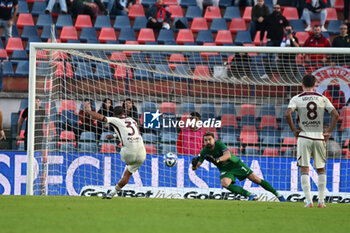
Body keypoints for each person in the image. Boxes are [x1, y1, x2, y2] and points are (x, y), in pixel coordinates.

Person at [285, 74, 339, 208]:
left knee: (304, 168)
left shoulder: (297, 98)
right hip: (319, 137)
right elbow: (336, 114)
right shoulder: (322, 98)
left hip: (304, 137)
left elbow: (287, 114)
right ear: (315, 85)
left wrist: (293, 130)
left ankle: (309, 201)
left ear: (302, 84)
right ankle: (321, 201)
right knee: (321, 169)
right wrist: (329, 132)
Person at [192, 132, 286, 202]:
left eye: (209, 139)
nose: (208, 142)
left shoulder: (219, 144)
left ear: (214, 139)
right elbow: (196, 166)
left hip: (236, 164)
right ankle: (250, 195)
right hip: (225, 169)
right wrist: (194, 165)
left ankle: (278, 194)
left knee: (256, 179)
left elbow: (228, 155)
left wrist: (217, 160)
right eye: (206, 140)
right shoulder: (204, 151)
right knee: (225, 183)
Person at [83, 104, 146, 199]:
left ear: (114, 114)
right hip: (142, 153)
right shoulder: (132, 120)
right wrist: (114, 136)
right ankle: (112, 193)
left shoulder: (115, 120)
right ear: (124, 113)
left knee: (122, 149)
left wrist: (88, 111)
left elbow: (101, 117)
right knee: (128, 174)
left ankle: (124, 158)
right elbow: (131, 132)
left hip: (128, 153)